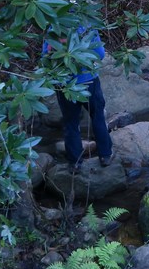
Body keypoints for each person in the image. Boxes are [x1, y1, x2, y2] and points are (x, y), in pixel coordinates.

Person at [43, 27, 114, 173]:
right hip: (89, 81)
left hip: (64, 84)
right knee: (97, 116)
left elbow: (45, 58)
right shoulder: (87, 26)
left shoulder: (52, 28)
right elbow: (100, 54)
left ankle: (75, 163)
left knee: (71, 123)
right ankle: (105, 155)